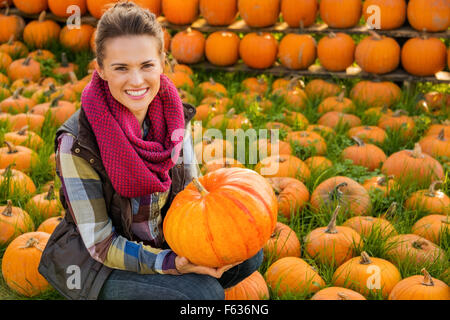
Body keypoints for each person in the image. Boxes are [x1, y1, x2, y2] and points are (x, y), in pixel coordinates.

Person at [38, 1, 263, 300]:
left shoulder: (172, 116)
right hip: (101, 263)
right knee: (203, 296)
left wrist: (202, 247)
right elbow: (101, 244)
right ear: (101, 70)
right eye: (121, 68)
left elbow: (191, 195)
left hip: (163, 240)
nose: (136, 80)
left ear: (161, 62)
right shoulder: (78, 144)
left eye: (146, 65)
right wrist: (171, 264)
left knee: (249, 255)